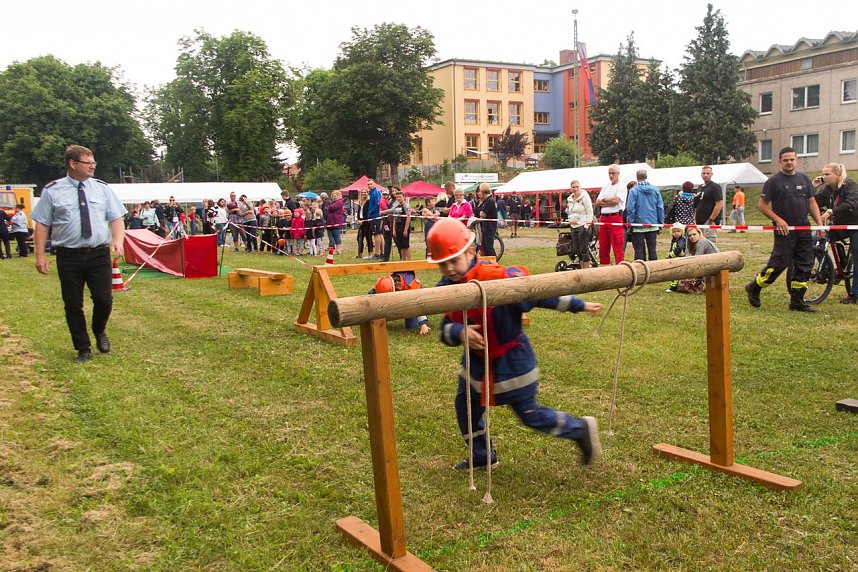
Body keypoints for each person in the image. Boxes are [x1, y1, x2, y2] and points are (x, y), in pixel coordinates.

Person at [426, 217, 603, 470]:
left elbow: (539, 294)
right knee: (466, 408)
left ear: (471, 251)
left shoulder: (497, 278)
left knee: (530, 415)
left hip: (512, 363)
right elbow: (444, 330)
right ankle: (482, 455)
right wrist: (459, 332)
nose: (450, 269)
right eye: (443, 265)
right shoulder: (446, 290)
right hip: (476, 366)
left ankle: (580, 428)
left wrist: (579, 305)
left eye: (454, 261)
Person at [31, 145, 127, 363]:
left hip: (98, 253)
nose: (93, 165)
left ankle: (99, 329)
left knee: (104, 299)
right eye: (88, 162)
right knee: (73, 303)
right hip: (69, 256)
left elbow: (117, 218)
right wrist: (39, 256)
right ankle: (82, 347)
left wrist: (118, 241)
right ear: (72, 164)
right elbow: (42, 224)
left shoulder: (102, 189)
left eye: (94, 162)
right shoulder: (52, 190)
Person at [745, 147, 825, 312]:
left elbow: (812, 203)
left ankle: (797, 301)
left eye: (792, 159)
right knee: (779, 263)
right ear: (780, 161)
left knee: (805, 264)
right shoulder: (773, 181)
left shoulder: (804, 179)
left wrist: (819, 224)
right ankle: (755, 286)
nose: (789, 162)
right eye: (785, 160)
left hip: (803, 229)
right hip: (784, 231)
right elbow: (762, 205)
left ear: (797, 160)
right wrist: (778, 220)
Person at [815, 162, 858, 304]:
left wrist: (832, 211)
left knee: (857, 255)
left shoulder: (850, 186)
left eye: (827, 174)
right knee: (814, 238)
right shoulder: (827, 190)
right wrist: (812, 187)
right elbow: (813, 203)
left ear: (838, 175)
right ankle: (826, 269)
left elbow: (852, 203)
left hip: (855, 225)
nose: (824, 176)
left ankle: (854, 294)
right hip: (838, 225)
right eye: (823, 174)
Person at [625, 168, 664, 262]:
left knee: (638, 250)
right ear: (646, 177)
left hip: (638, 225)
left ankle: (640, 272)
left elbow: (630, 209)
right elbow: (660, 207)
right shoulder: (655, 190)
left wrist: (629, 224)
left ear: (637, 178)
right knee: (652, 250)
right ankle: (654, 271)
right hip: (653, 224)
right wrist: (660, 223)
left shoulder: (633, 191)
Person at [595, 164, 627, 265]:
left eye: (613, 173)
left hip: (615, 217)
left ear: (618, 174)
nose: (611, 175)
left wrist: (605, 200)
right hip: (603, 218)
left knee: (617, 246)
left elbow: (616, 201)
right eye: (609, 173)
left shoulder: (622, 185)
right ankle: (604, 270)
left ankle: (620, 269)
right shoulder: (605, 186)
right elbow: (598, 201)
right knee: (603, 246)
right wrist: (609, 200)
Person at [565, 179, 594, 268]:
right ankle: (582, 270)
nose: (575, 189)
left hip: (583, 226)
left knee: (583, 250)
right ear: (571, 189)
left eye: (577, 187)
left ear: (580, 187)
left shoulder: (585, 197)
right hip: (573, 226)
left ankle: (586, 271)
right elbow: (570, 212)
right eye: (573, 187)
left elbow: (590, 212)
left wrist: (586, 225)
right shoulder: (569, 199)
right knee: (577, 250)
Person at [694, 165, 723, 242]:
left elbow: (719, 204)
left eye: (708, 173)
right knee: (699, 242)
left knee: (709, 242)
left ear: (711, 174)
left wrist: (711, 219)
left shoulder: (715, 187)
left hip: (709, 221)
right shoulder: (700, 187)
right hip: (699, 220)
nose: (705, 175)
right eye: (703, 173)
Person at [475, 183, 498, 257]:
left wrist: (482, 214)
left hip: (490, 226)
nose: (479, 193)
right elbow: (482, 213)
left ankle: (494, 262)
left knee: (489, 247)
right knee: (485, 246)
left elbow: (483, 214)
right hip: (486, 226)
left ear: (484, 191)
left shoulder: (489, 201)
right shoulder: (487, 200)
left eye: (480, 191)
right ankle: (488, 262)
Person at [665, 223, 688, 292]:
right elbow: (672, 248)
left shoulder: (682, 240)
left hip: (680, 259)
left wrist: (670, 255)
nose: (676, 233)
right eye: (674, 231)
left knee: (675, 273)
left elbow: (678, 248)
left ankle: (673, 287)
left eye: (678, 231)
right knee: (673, 273)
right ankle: (674, 285)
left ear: (682, 232)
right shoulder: (674, 239)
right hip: (675, 259)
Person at [367, 179, 384, 260]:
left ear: (374, 184)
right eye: (368, 184)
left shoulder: (376, 192)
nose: (369, 185)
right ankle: (382, 253)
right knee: (379, 234)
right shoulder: (371, 192)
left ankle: (377, 253)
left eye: (371, 184)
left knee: (377, 234)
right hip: (373, 216)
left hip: (375, 216)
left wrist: (371, 211)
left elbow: (377, 203)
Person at [326, 190, 346, 255]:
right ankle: (332, 249)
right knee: (330, 236)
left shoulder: (339, 202)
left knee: (336, 236)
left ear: (339, 196)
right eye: (332, 196)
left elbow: (331, 208)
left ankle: (338, 249)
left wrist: (328, 208)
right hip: (330, 221)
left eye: (335, 196)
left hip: (336, 221)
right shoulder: (333, 202)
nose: (333, 197)